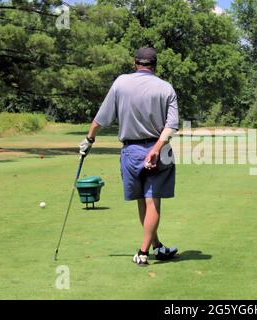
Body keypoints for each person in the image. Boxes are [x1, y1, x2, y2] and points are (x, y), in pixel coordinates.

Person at [79, 47, 179, 267]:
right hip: (159, 150)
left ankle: (150, 249)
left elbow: (101, 119)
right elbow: (171, 125)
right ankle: (149, 250)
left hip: (131, 151)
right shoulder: (166, 88)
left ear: (135, 63)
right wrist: (156, 148)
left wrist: (89, 140)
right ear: (155, 65)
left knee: (143, 202)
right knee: (152, 200)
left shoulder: (121, 83)